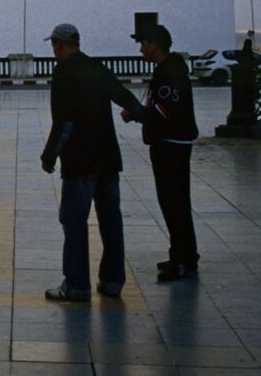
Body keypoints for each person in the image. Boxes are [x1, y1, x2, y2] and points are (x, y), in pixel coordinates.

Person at [40, 23, 144, 302]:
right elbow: (124, 96)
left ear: (58, 45)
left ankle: (77, 285)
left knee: (74, 221)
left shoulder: (63, 71)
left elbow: (64, 121)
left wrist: (50, 155)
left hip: (80, 159)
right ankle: (112, 281)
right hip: (108, 156)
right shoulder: (96, 66)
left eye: (54, 45)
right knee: (111, 220)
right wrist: (139, 114)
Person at [124, 25, 199, 282]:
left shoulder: (170, 72)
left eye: (143, 43)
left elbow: (165, 110)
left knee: (173, 201)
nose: (140, 49)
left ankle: (181, 260)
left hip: (171, 143)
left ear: (154, 44)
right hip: (172, 141)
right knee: (176, 200)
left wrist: (135, 114)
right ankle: (185, 254)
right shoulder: (170, 69)